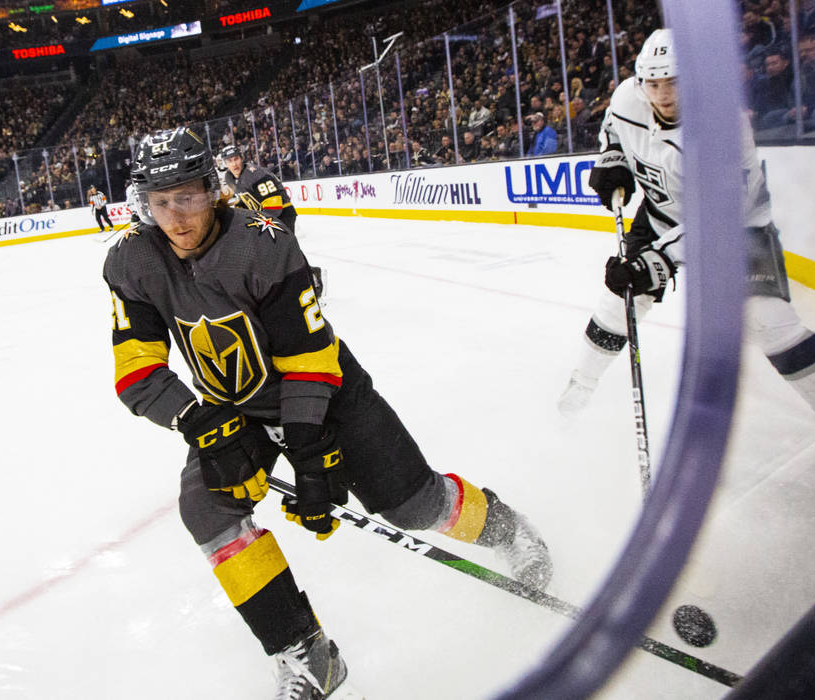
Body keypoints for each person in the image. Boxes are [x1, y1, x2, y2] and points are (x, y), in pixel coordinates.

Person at [104, 126, 553, 697]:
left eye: (188, 196)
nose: (177, 217)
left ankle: (510, 529)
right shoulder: (131, 260)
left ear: (213, 190)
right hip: (234, 409)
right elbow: (136, 366)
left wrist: (310, 452)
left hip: (330, 395)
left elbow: (310, 359)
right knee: (206, 510)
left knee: (415, 507)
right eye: (161, 202)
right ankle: (307, 653)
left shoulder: (262, 243)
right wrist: (195, 422)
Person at [557, 29, 815, 490]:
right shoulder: (628, 97)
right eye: (653, 84)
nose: (662, 94)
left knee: (766, 320)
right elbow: (613, 130)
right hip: (660, 213)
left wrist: (661, 261)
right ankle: (580, 387)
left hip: (738, 227)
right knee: (620, 300)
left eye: (672, 83)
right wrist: (612, 159)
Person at [217, 143, 325, 299]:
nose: (234, 164)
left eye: (236, 159)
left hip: (282, 214)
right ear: (225, 164)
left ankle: (311, 280)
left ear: (241, 159)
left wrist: (259, 224)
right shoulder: (231, 177)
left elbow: (274, 204)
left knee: (286, 253)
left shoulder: (255, 175)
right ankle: (306, 276)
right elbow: (247, 199)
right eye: (230, 161)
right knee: (275, 255)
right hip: (267, 217)